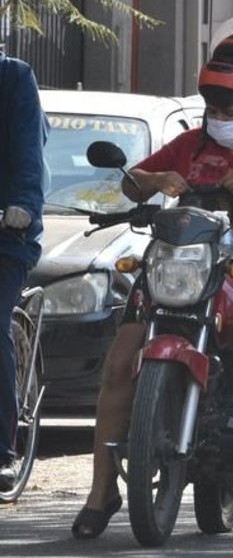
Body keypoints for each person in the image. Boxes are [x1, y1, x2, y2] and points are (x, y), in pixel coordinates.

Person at [72, 31, 233, 537]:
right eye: (213, 106)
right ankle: (102, 490)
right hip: (178, 271)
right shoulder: (189, 143)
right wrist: (155, 181)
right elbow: (131, 182)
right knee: (119, 365)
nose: (219, 116)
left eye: (230, 108)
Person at [0, 52, 48, 493]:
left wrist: (23, 207)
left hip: (6, 236)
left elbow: (28, 151)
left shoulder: (13, 79)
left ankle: (2, 450)